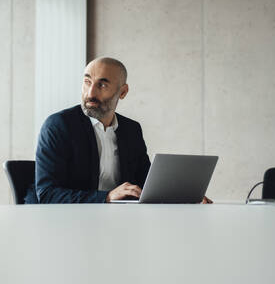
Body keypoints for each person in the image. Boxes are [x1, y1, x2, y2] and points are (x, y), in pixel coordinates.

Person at [27, 57, 212, 204]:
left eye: (102, 85)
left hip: (117, 220)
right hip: (65, 225)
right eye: (87, 82)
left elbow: (147, 184)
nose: (90, 93)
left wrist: (182, 196)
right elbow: (48, 194)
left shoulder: (131, 130)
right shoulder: (58, 126)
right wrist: (107, 197)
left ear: (122, 92)